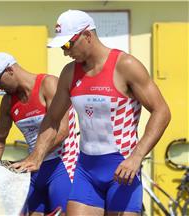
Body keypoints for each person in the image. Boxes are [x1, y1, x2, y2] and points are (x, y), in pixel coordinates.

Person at [11, 10, 171, 216]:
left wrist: (137, 157)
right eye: (62, 46)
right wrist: (36, 156)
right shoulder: (69, 72)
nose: (65, 52)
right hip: (86, 170)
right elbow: (52, 118)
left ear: (87, 35)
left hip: (122, 169)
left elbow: (162, 111)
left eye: (68, 45)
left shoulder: (125, 66)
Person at [0, 52, 79, 215]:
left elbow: (62, 131)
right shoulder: (7, 101)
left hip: (62, 166)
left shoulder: (48, 84)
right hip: (33, 170)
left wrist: (33, 157)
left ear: (10, 70)